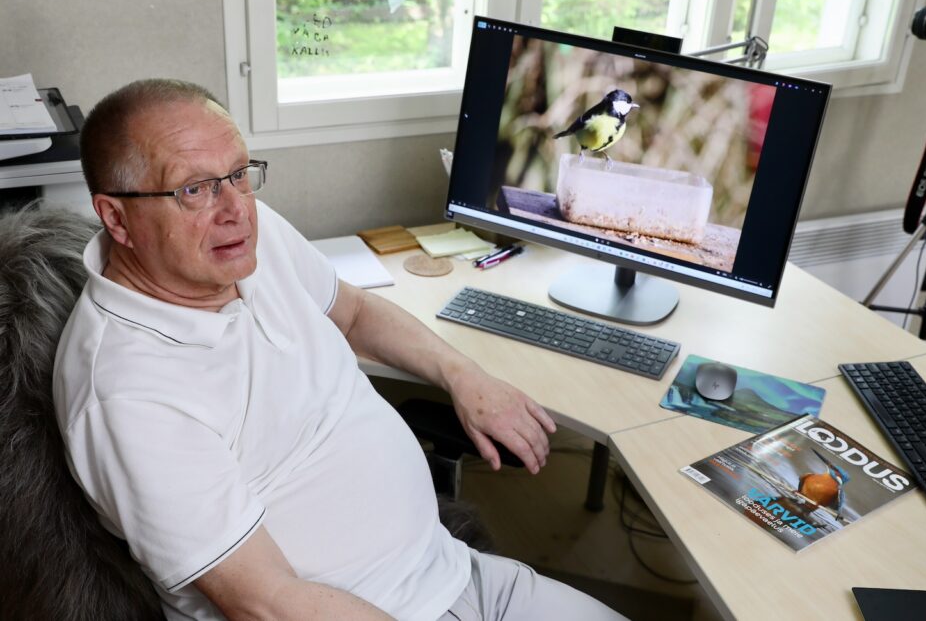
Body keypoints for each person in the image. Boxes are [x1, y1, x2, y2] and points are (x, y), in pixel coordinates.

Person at [52, 79, 629, 621]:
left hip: (456, 573)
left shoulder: (241, 236)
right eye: (193, 190)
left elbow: (352, 312)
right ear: (116, 219)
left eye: (238, 173)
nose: (235, 209)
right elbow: (268, 603)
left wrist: (464, 376)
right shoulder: (126, 394)